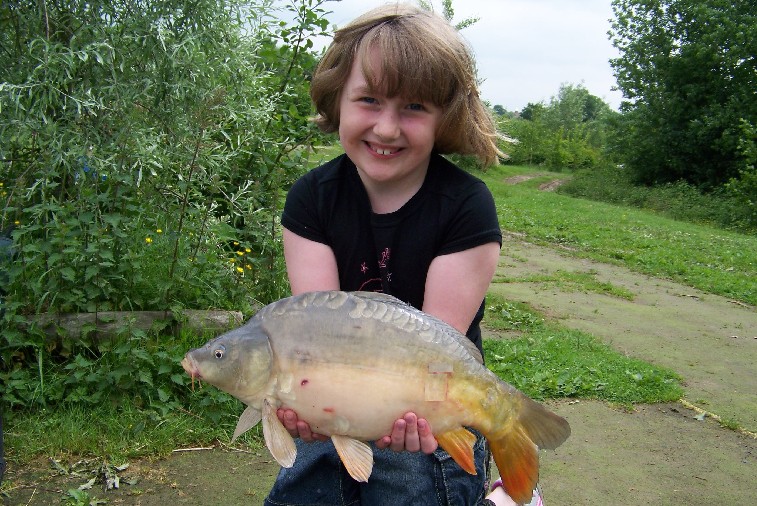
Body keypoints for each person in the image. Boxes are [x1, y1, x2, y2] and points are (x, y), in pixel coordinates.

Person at [266, 4, 541, 505]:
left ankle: (496, 487)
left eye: (414, 107)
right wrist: (304, 401)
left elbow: (438, 351)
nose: (387, 129)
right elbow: (317, 332)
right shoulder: (311, 198)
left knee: (414, 482)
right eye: (369, 100)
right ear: (337, 99)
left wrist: (418, 417)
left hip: (428, 413)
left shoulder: (466, 205)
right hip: (337, 409)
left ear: (446, 118)